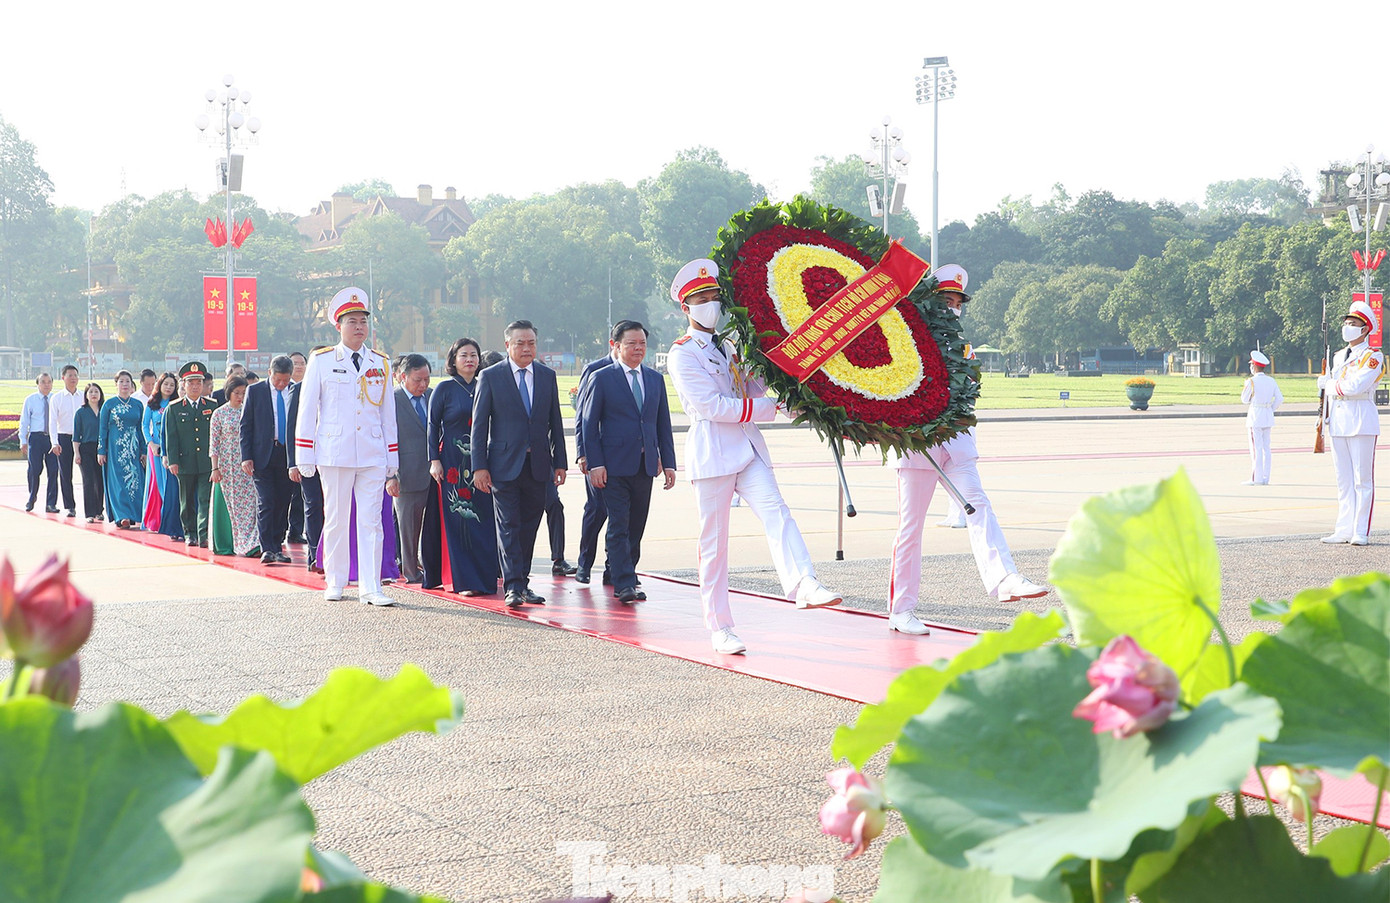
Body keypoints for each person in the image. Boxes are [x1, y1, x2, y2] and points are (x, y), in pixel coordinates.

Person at [666, 259, 842, 655]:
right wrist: (768, 408)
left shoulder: (730, 345)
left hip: (747, 449)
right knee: (714, 545)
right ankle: (720, 627)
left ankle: (804, 583)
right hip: (713, 452)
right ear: (686, 308)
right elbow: (712, 405)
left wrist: (792, 391)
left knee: (777, 511)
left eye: (714, 297)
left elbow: (755, 386)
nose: (710, 304)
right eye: (702, 299)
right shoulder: (682, 354)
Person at [888, 265, 1048, 636]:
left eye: (957, 301)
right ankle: (901, 610)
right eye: (946, 299)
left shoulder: (963, 347)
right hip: (918, 446)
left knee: (978, 504)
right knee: (910, 529)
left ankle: (1004, 577)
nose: (952, 306)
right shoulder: (909, 340)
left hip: (956, 442)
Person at [295, 288, 400, 606]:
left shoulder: (380, 362)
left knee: (371, 520)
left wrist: (391, 457)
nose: (359, 327)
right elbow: (307, 407)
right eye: (352, 321)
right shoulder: (323, 360)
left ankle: (371, 586)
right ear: (338, 326)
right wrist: (304, 453)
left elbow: (388, 414)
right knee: (337, 517)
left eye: (363, 321)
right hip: (335, 451)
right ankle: (336, 580)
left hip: (371, 452)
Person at [471, 319, 568, 609]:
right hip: (502, 465)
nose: (527, 348)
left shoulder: (547, 376)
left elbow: (555, 422)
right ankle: (512, 586)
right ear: (507, 345)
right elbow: (479, 426)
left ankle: (523, 582)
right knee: (509, 526)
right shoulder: (490, 376)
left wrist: (560, 462)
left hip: (538, 465)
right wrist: (479, 466)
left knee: (529, 527)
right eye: (520, 343)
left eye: (531, 343)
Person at [581, 321, 676, 603]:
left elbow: (663, 425)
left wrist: (668, 463)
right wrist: (595, 463)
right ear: (616, 346)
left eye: (642, 344)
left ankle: (622, 571)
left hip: (645, 466)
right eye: (631, 344)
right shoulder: (602, 378)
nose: (638, 349)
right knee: (618, 524)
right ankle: (625, 583)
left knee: (636, 524)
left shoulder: (655, 379)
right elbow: (588, 424)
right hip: (612, 466)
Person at [423, 338, 499, 596]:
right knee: (458, 522)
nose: (470, 360)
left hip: (481, 463)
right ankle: (462, 581)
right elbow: (433, 427)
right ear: (453, 360)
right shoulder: (444, 389)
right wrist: (434, 460)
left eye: (474, 355)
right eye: (464, 355)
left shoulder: (485, 385)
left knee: (483, 520)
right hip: (452, 463)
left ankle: (485, 579)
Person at [1317, 299, 1383, 545]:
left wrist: (1329, 385)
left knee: (1362, 480)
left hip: (1361, 420)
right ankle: (1343, 528)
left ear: (1365, 329)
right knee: (1343, 479)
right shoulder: (1336, 357)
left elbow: (1355, 386)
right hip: (1339, 421)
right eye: (1346, 323)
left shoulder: (1373, 357)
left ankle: (1361, 531)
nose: (1347, 327)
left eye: (1353, 323)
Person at [572, 333, 622, 585]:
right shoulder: (595, 370)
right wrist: (583, 453)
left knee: (622, 515)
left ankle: (614, 568)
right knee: (597, 510)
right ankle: (584, 563)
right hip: (598, 454)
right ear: (615, 344)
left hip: (626, 457)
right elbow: (582, 416)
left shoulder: (637, 371)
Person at [239, 355, 297, 564]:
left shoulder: (295, 391)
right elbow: (245, 425)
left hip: (287, 455)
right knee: (266, 501)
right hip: (262, 454)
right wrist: (246, 457)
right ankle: (267, 548)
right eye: (277, 379)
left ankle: (277, 545)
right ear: (269, 373)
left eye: (285, 380)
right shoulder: (255, 391)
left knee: (283, 502)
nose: (281, 384)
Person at [163, 361, 217, 548]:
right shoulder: (175, 408)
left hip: (206, 462)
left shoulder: (212, 405)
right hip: (185, 462)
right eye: (191, 383)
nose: (195, 386)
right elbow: (171, 437)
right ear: (183, 385)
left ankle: (203, 535)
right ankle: (189, 532)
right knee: (186, 501)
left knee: (204, 499)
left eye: (198, 383)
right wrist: (173, 461)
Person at [393, 353, 434, 583]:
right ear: (402, 377)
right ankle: (411, 571)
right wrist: (391, 475)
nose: (423, 385)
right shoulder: (392, 400)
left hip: (434, 473)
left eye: (426, 379)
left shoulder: (432, 395)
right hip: (406, 474)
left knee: (432, 526)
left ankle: (432, 567)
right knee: (408, 528)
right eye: (417, 380)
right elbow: (386, 439)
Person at [209, 375, 260, 557]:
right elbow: (214, 444)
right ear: (229, 393)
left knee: (251, 505)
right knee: (235, 506)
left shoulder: (249, 411)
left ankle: (252, 542)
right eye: (236, 393)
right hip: (228, 465)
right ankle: (239, 542)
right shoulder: (219, 414)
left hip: (247, 464)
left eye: (244, 393)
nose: (240, 396)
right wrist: (215, 468)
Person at [287, 348, 327, 574]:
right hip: (309, 460)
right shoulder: (299, 390)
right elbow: (292, 428)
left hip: (335, 459)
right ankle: (315, 554)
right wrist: (294, 462)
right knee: (313, 506)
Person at [97, 371, 146, 528]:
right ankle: (122, 515)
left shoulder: (137, 405)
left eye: (128, 381)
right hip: (115, 449)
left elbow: (141, 428)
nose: (125, 384)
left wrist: (143, 450)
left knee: (134, 482)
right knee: (118, 482)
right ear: (116, 384)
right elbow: (103, 428)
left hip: (133, 448)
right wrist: (101, 450)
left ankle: (134, 514)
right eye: (121, 381)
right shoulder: (109, 405)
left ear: (132, 385)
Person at [141, 372, 184, 541]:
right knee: (158, 484)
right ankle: (156, 520)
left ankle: (171, 520)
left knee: (171, 485)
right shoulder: (152, 404)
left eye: (172, 385)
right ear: (160, 385)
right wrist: (151, 444)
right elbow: (145, 426)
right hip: (156, 450)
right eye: (166, 384)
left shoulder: (175, 404)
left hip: (173, 450)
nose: (169, 387)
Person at [1241, 350, 1283, 486]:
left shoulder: (1251, 381)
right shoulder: (1271, 380)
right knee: (1266, 448)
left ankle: (1256, 478)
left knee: (1256, 448)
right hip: (1267, 414)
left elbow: (1244, 399)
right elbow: (1279, 398)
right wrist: (1270, 408)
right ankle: (1265, 477)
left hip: (1256, 415)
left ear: (1254, 366)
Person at [19, 372, 59, 513]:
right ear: (38, 384)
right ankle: (32, 497)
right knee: (34, 469)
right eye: (43, 382)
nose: (46, 384)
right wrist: (23, 440)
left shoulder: (55, 399)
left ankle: (51, 503)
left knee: (53, 470)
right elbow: (24, 421)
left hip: (52, 438)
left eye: (49, 382)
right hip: (36, 438)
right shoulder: (30, 400)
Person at [48, 364, 81, 517]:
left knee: (90, 474)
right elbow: (52, 422)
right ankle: (70, 506)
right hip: (64, 438)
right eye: (70, 375)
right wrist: (54, 442)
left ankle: (95, 508)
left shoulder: (84, 396)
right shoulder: (57, 398)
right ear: (63, 378)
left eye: (75, 375)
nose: (73, 378)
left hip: (82, 439)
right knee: (65, 474)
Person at [285, 350, 309, 543]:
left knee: (301, 497)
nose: (299, 366)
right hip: (285, 448)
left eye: (302, 363)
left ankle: (296, 530)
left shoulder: (310, 387)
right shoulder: (288, 388)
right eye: (295, 363)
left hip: (308, 451)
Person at [72, 382, 106, 523]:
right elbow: (76, 435)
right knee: (88, 480)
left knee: (100, 480)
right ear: (86, 395)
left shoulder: (105, 410)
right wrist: (77, 453)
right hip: (85, 449)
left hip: (102, 449)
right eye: (90, 392)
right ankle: (89, 513)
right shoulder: (81, 412)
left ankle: (99, 511)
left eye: (96, 392)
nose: (93, 394)